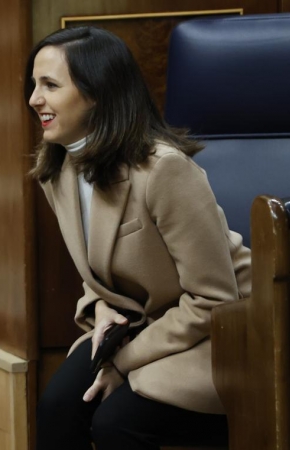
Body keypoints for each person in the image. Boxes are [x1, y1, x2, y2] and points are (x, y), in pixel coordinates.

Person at [26, 26, 251, 449]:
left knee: (116, 423)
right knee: (57, 408)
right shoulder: (58, 165)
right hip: (144, 321)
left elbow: (215, 299)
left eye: (50, 85)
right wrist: (101, 305)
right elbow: (100, 266)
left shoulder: (164, 170)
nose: (34, 98)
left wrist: (123, 362)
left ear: (97, 93)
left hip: (222, 331)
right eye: (34, 84)